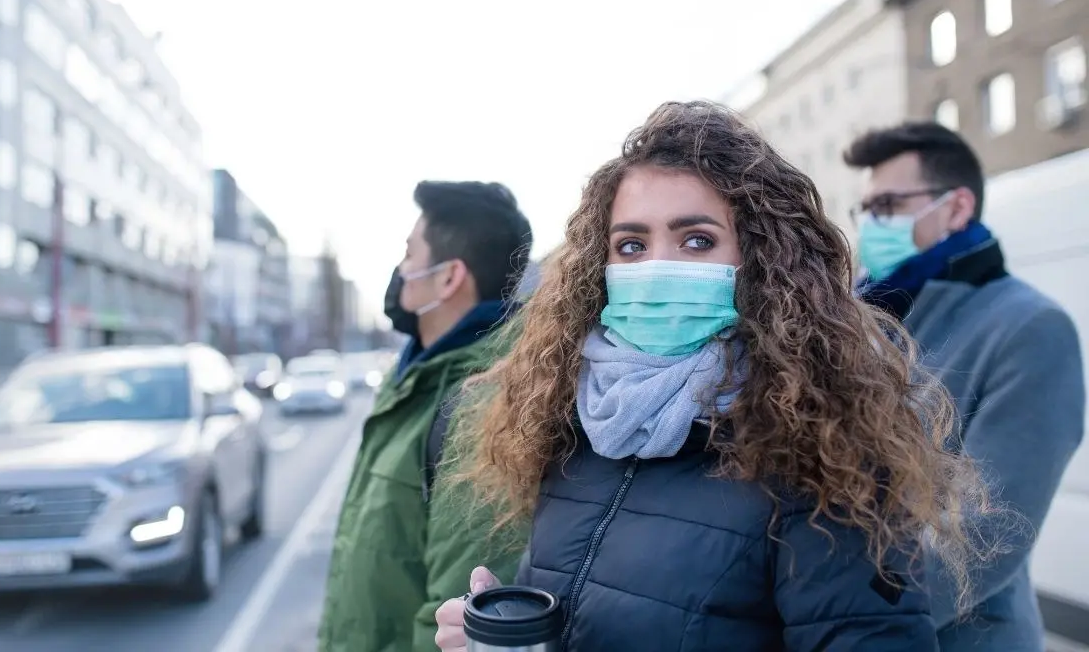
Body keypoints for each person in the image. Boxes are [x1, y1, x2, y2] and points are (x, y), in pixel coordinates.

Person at [433, 101, 994, 652]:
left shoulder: (826, 453)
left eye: (696, 240)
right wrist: (508, 631)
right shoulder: (573, 424)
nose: (655, 267)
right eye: (631, 245)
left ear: (758, 261)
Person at [843, 122, 1085, 651]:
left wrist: (851, 624)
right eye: (866, 209)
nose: (871, 225)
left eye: (888, 204)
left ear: (955, 208)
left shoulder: (1030, 327)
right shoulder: (873, 317)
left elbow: (987, 536)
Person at [317, 180, 533, 652]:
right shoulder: (417, 376)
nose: (400, 271)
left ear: (449, 277)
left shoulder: (484, 404)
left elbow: (453, 613)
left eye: (409, 255)